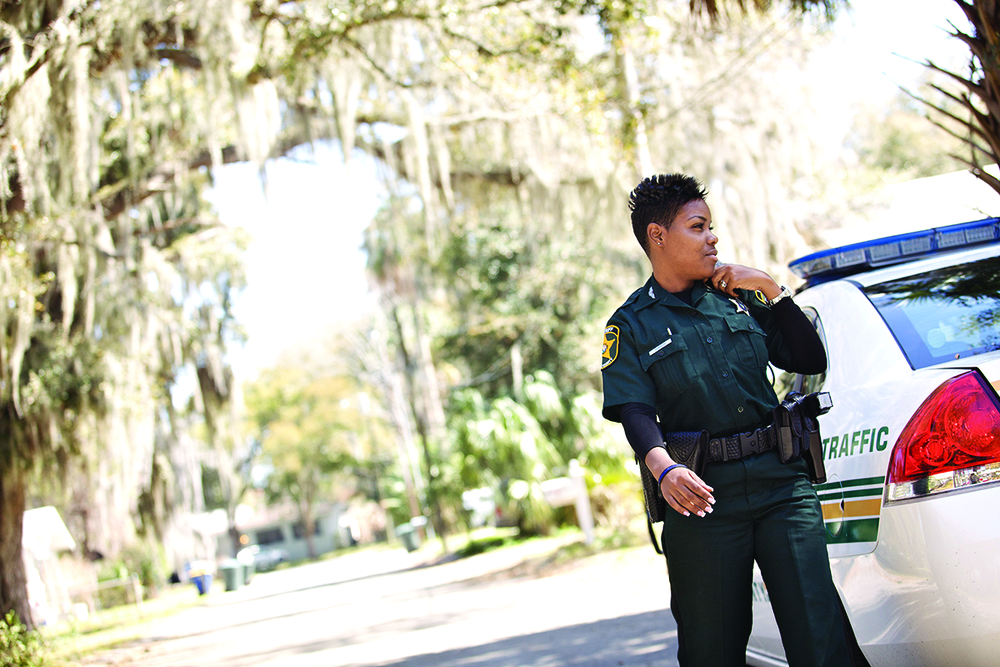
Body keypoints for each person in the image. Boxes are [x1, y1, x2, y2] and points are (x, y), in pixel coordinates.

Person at [600, 173, 852, 667]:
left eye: (711, 226)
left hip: (782, 483)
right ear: (658, 236)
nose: (712, 237)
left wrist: (771, 289)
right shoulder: (630, 324)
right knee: (710, 648)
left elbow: (807, 358)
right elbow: (633, 409)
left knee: (819, 634)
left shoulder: (739, 296)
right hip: (702, 498)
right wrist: (662, 467)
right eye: (698, 227)